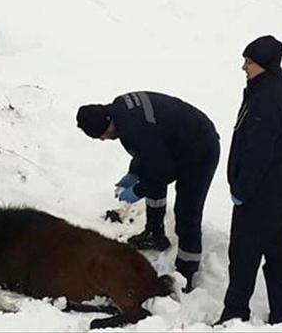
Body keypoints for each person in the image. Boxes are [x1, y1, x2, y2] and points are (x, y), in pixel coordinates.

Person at [76, 91, 220, 291]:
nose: (104, 140)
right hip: (176, 141)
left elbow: (162, 171)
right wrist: (134, 173)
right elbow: (148, 151)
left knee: (187, 212)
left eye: (102, 135)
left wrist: (138, 189)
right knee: (151, 177)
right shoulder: (120, 112)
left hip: (199, 148)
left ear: (106, 124)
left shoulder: (132, 129)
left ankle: (186, 274)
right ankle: (155, 233)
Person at [217, 35, 282, 325]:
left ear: (266, 65)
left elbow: (259, 152)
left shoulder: (265, 100)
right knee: (280, 253)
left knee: (244, 255)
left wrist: (242, 189)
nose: (243, 68)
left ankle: (234, 314)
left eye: (249, 62)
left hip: (262, 194)